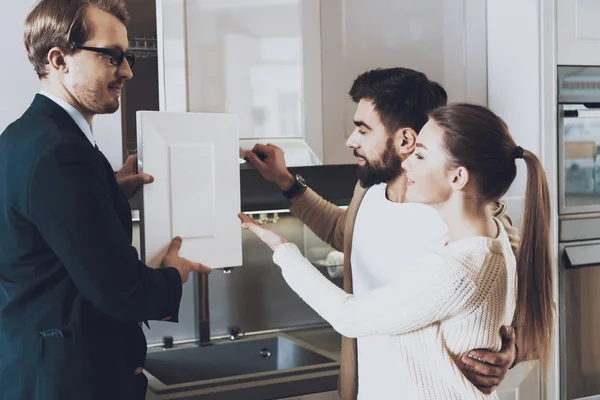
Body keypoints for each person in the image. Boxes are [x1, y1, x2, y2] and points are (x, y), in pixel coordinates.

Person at [240, 103, 554, 399]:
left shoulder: (465, 255)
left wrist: (283, 250)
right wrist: (286, 182)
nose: (352, 141)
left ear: (404, 137)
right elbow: (346, 233)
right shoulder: (373, 189)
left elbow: (526, 307)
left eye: (363, 130)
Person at [0, 1, 210, 399]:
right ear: (59, 59)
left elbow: (50, 240)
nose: (127, 70)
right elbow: (123, 291)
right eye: (112, 57)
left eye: (126, 56)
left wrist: (109, 189)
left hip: (38, 369)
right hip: (71, 382)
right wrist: (173, 275)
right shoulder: (61, 153)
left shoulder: (23, 136)